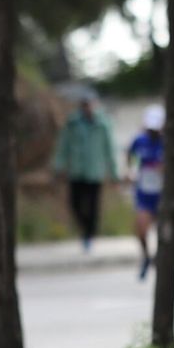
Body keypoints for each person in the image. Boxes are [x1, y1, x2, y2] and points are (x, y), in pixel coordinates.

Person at [51, 96, 118, 251]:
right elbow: (63, 146)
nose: (88, 108)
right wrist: (58, 166)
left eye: (90, 105)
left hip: (95, 172)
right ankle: (83, 228)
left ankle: (89, 234)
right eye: (85, 105)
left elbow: (110, 150)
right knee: (75, 204)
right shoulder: (72, 123)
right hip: (77, 170)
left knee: (93, 206)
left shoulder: (103, 124)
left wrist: (114, 174)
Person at [126, 105, 167, 280]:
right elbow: (129, 154)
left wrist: (163, 169)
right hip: (144, 191)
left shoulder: (167, 142)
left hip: (162, 193)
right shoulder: (139, 140)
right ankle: (146, 256)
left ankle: (160, 258)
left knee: (164, 230)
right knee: (141, 227)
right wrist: (129, 171)